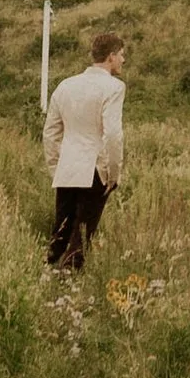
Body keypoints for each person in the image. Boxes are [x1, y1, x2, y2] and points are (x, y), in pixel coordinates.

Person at [44, 32, 127, 269]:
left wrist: (55, 168)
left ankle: (46, 276)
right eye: (121, 55)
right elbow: (112, 134)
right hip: (95, 168)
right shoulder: (113, 87)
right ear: (111, 57)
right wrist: (113, 173)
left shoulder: (65, 85)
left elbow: (50, 133)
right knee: (82, 235)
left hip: (67, 168)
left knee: (60, 233)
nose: (123, 60)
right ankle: (68, 287)